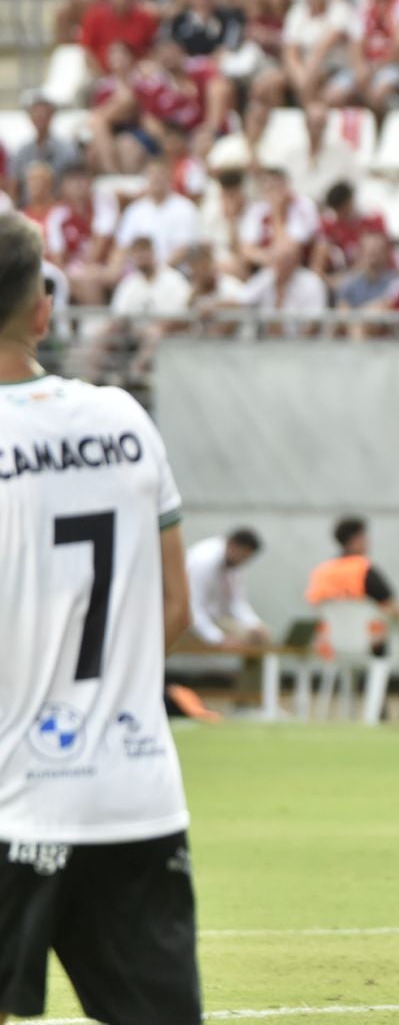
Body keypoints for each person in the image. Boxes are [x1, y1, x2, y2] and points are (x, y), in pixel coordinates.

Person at [0, 214, 204, 1023]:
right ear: (44, 308)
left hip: (12, 798)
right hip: (135, 797)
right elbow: (177, 612)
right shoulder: (124, 420)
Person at [305, 515, 399, 717]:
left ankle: (378, 706)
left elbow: (316, 605)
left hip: (333, 647)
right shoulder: (363, 569)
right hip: (371, 645)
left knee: (370, 650)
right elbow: (396, 609)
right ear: (356, 538)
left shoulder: (322, 571)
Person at [182, 529, 268, 651]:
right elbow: (191, 607)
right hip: (187, 622)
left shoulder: (233, 563)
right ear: (231, 544)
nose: (243, 561)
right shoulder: (203, 561)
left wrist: (254, 625)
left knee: (259, 637)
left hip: (211, 618)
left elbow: (236, 602)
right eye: (243, 556)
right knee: (245, 639)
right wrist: (218, 638)